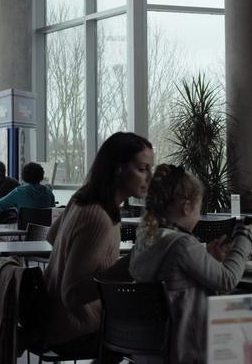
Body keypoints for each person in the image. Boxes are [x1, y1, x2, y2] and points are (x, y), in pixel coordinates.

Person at [130, 164, 252, 364]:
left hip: (150, 349)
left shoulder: (146, 238)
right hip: (188, 348)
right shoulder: (181, 244)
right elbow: (227, 280)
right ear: (187, 207)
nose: (199, 216)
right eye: (199, 210)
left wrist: (207, 256)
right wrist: (244, 238)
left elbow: (176, 273)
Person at [43, 132, 154, 360]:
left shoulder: (81, 197)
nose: (149, 177)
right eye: (142, 169)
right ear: (118, 168)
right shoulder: (99, 217)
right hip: (75, 330)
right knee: (163, 331)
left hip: (52, 319)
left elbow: (53, 237)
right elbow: (72, 294)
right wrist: (129, 264)